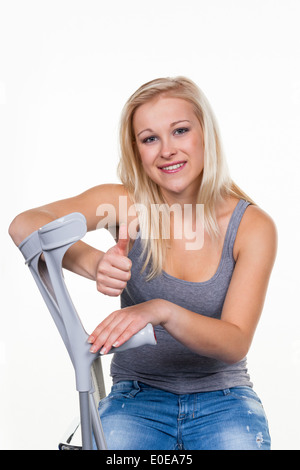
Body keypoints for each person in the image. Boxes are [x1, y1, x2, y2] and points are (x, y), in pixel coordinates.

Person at [9, 76, 277, 450]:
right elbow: (24, 224)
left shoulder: (251, 226)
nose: (167, 150)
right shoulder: (124, 205)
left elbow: (234, 342)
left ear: (206, 135)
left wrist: (160, 311)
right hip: (136, 397)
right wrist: (93, 261)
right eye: (150, 138)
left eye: (180, 131)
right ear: (137, 151)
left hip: (225, 399)